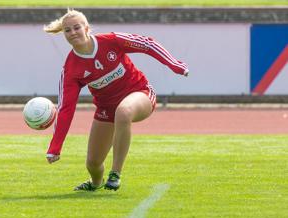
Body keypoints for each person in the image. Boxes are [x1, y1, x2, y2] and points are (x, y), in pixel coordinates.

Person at [43, 9, 189, 191]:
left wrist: (174, 64)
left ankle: (115, 173)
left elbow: (147, 44)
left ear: (87, 28)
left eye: (76, 27)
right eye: (67, 30)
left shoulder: (111, 41)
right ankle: (95, 183)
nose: (73, 33)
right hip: (106, 110)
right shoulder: (71, 69)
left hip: (140, 94)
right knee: (93, 164)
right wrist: (55, 147)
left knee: (124, 111)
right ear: (63, 34)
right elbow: (66, 108)